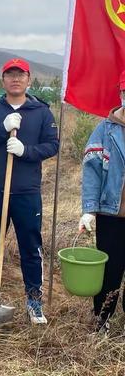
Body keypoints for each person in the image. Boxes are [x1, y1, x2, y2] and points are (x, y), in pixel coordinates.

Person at [0, 58, 59, 324]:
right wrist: (2, 129)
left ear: (28, 80)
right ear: (3, 81)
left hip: (26, 191)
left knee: (31, 246)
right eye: (10, 75)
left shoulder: (41, 112)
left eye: (20, 75)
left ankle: (34, 299)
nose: (15, 79)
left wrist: (26, 151)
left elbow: (52, 145)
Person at [80, 69, 125, 335]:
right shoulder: (105, 130)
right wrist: (89, 210)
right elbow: (92, 170)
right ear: (120, 93)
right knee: (110, 272)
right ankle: (102, 322)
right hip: (112, 215)